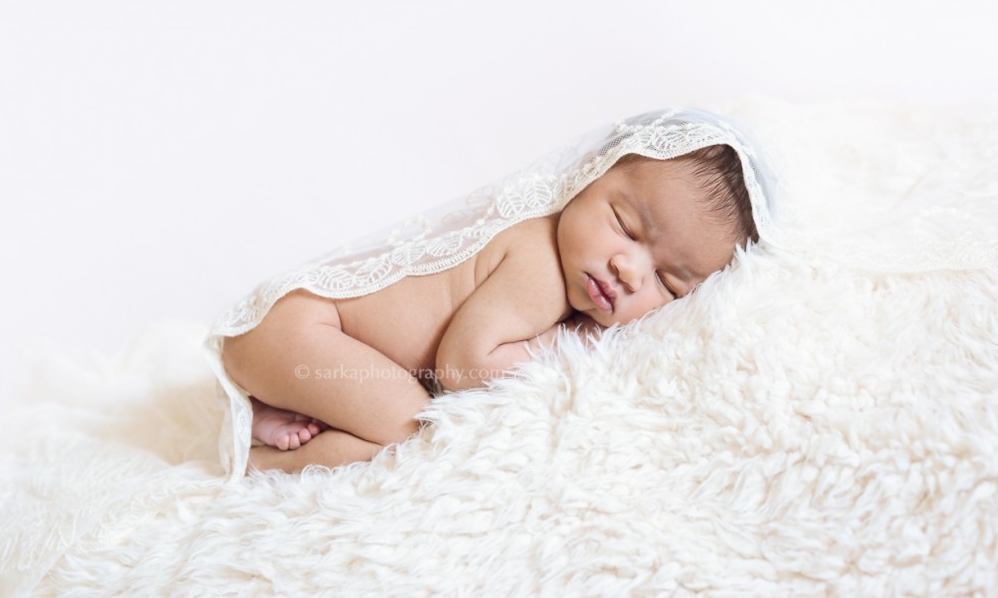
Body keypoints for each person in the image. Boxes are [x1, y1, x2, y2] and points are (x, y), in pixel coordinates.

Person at [205, 109, 776, 476]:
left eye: (667, 282)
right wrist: (561, 341)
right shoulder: (539, 265)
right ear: (591, 174)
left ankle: (277, 410)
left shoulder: (554, 260)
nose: (629, 269)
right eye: (626, 226)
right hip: (303, 329)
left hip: (303, 338)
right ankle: (260, 467)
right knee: (409, 432)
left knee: (387, 401)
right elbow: (462, 367)